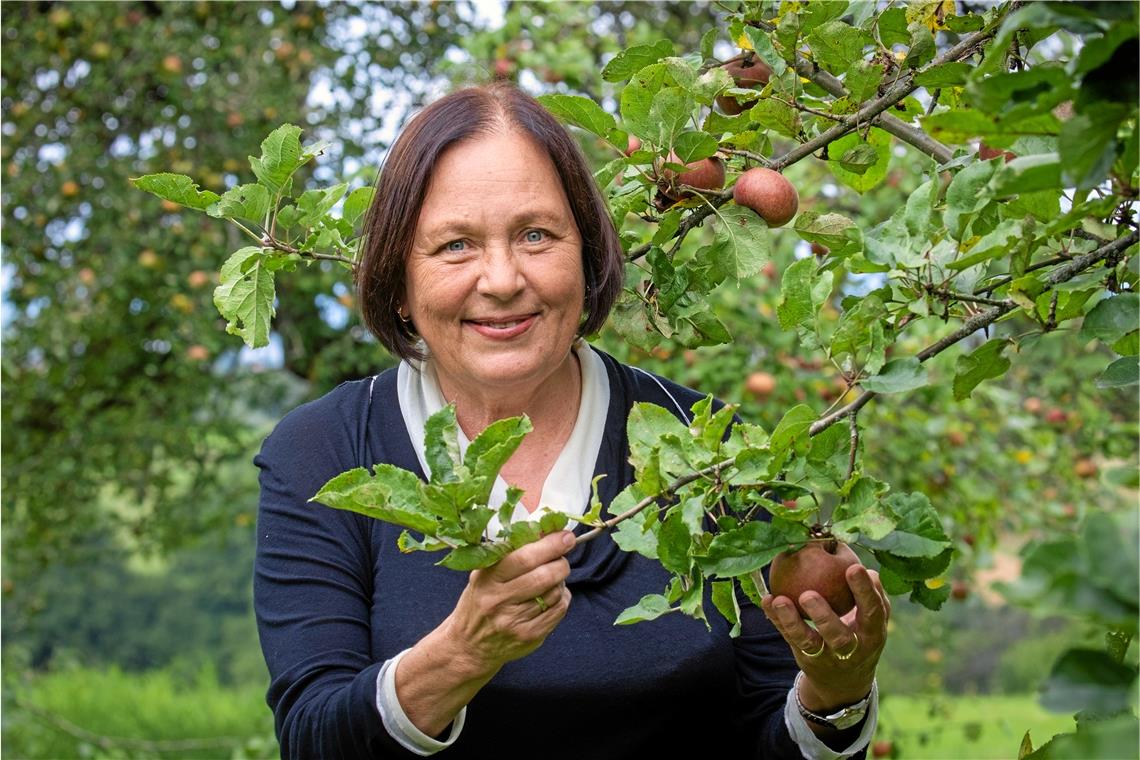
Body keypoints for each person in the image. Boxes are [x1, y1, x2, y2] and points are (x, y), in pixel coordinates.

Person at [253, 83, 890, 759]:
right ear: (399, 280)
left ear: (587, 257)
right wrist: (459, 658)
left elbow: (767, 731)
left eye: (535, 235)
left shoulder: (714, 453)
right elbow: (313, 738)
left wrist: (835, 695)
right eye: (454, 246)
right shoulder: (324, 453)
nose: (501, 279)